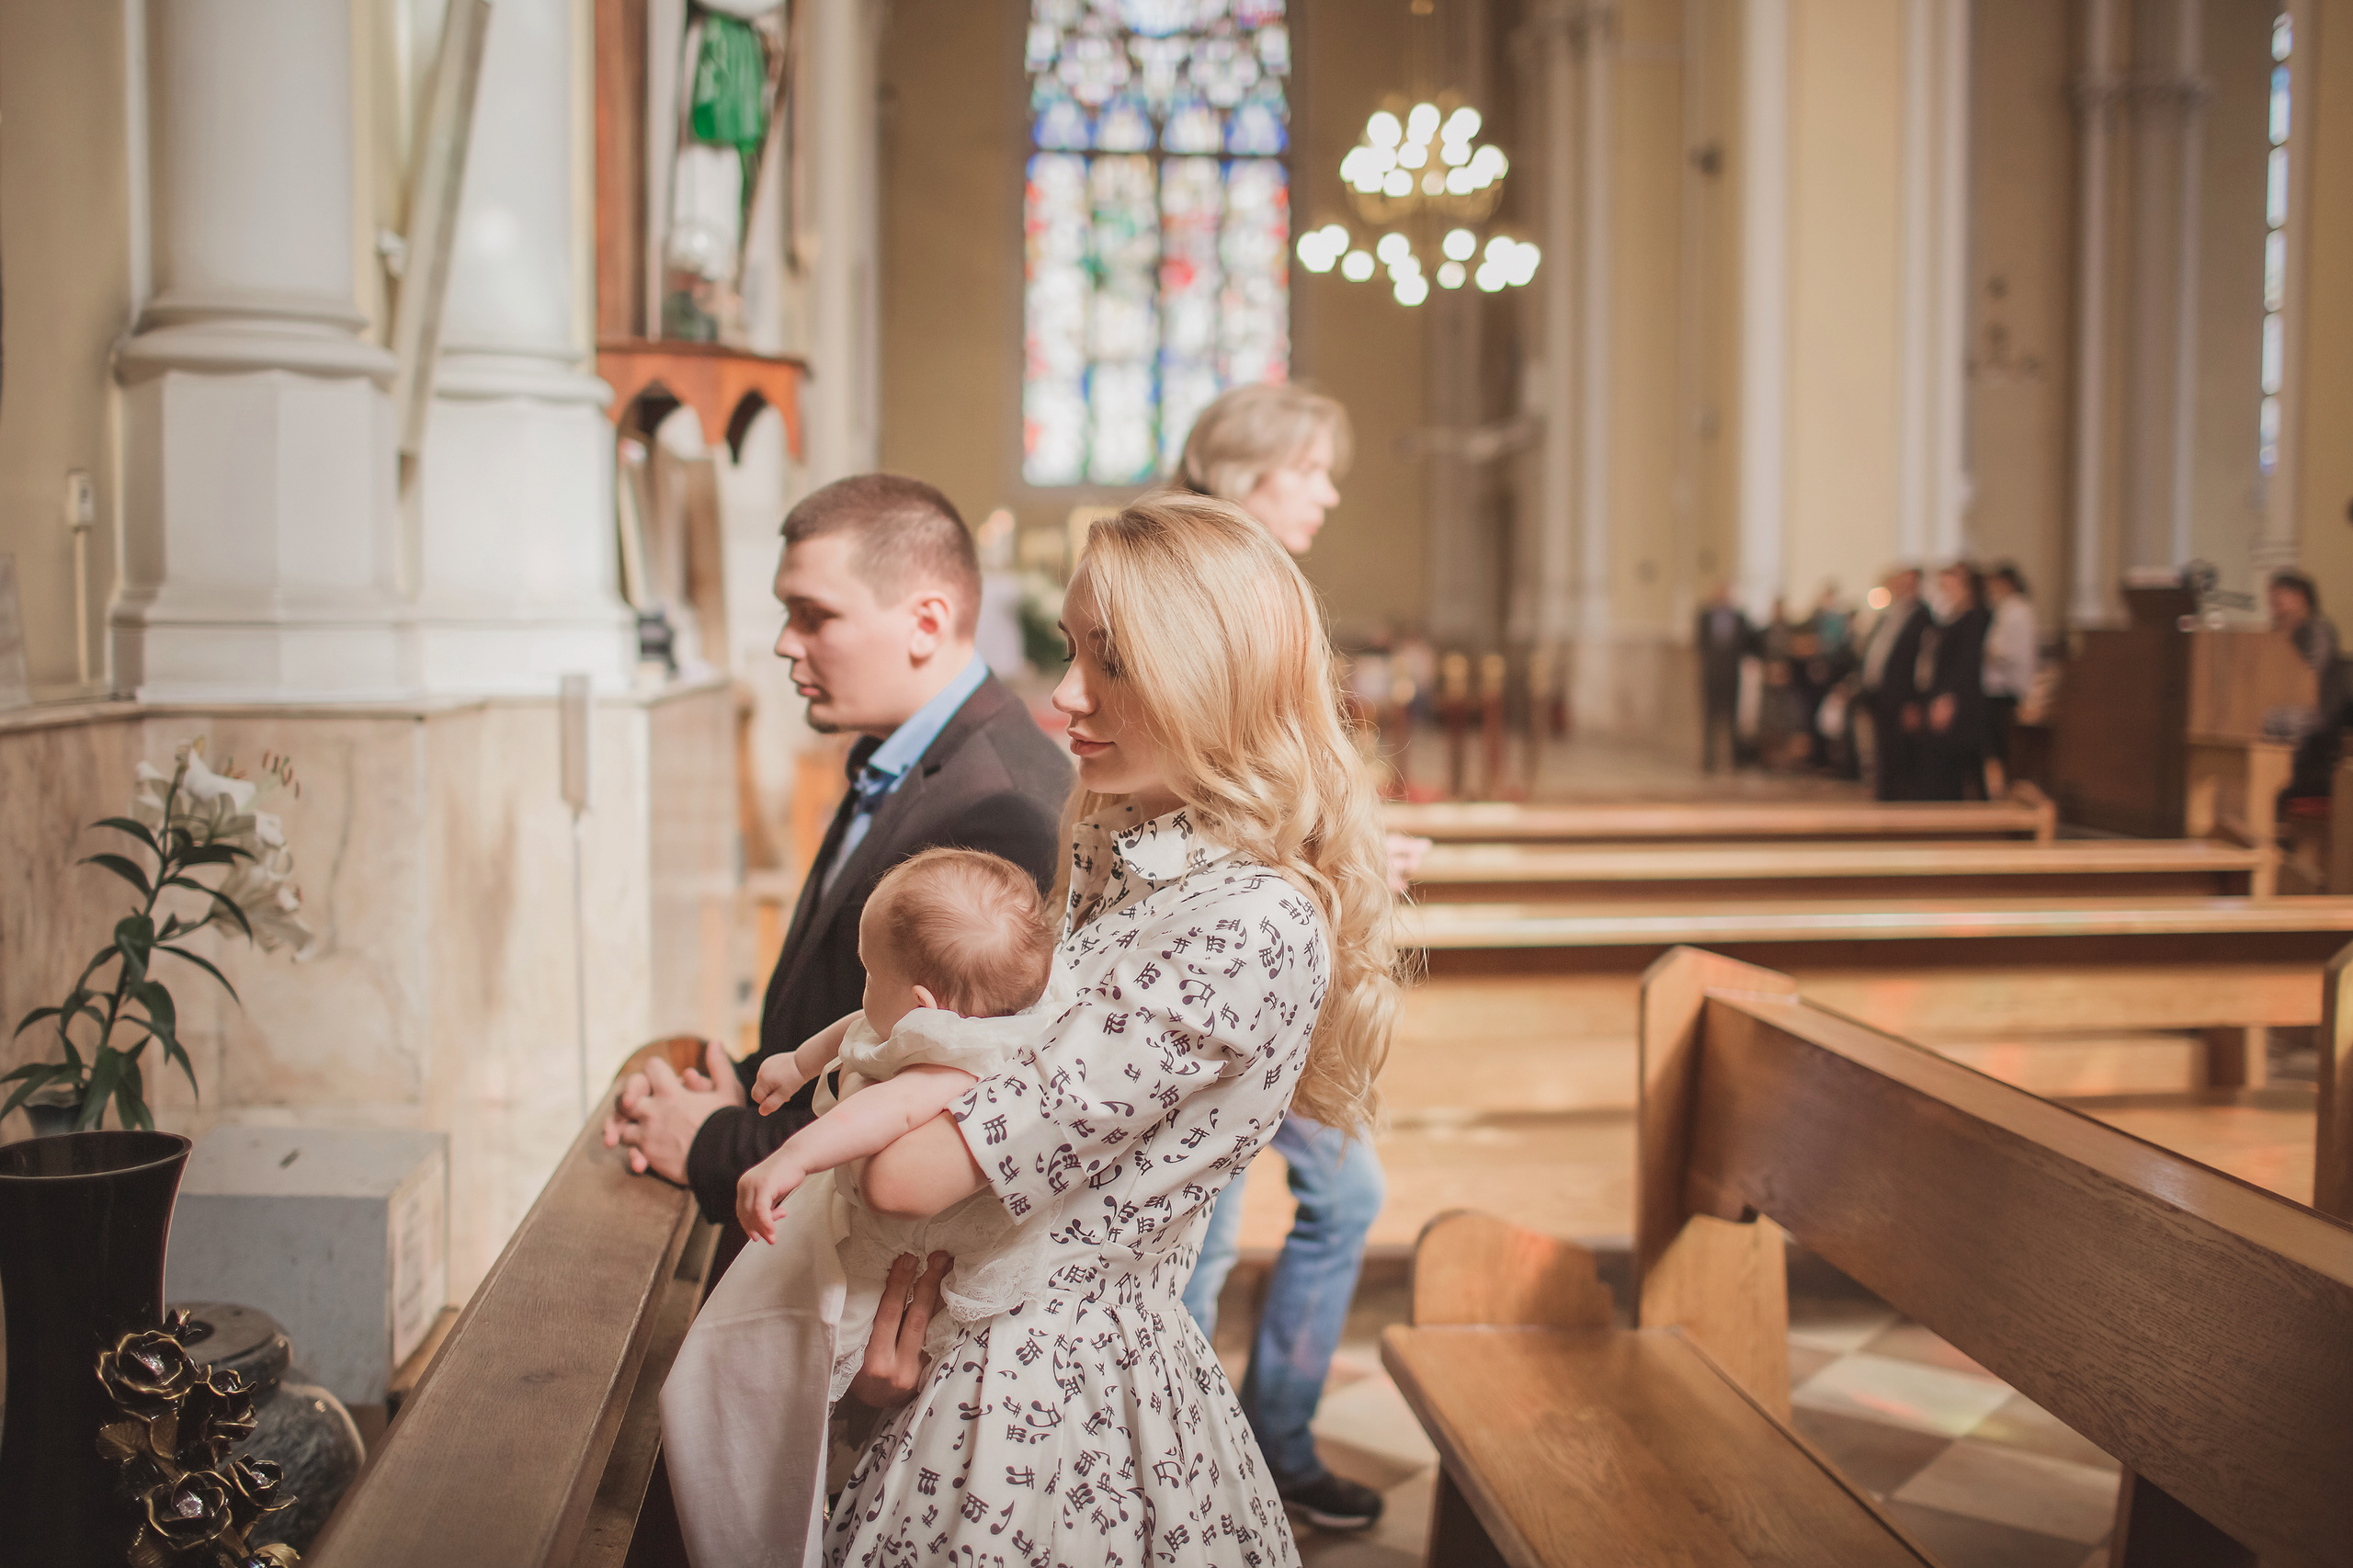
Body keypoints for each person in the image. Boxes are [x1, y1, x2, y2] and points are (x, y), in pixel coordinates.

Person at [812, 495, 1401, 1566]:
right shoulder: (1130, 852)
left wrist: (879, 1069)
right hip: (973, 1347)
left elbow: (907, 1174)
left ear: (1214, 679)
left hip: (1058, 1387)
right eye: (1072, 649)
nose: (1066, 693)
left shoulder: (1250, 921)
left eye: (1113, 662)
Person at [602, 474, 1072, 1225]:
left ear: (926, 622)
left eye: (814, 616)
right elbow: (849, 1011)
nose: (787, 643)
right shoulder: (911, 755)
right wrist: (744, 1086)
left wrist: (713, 1143)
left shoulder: (1000, 807)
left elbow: (927, 1103)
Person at [660, 848, 1057, 1567]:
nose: (863, 982)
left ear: (926, 1007)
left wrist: (789, 1156)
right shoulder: (921, 1017)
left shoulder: (957, 1057)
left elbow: (875, 1112)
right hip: (854, 1224)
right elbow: (858, 1028)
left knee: (785, 1373)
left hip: (897, 1262)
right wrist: (797, 1064)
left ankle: (769, 1510)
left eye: (872, 972)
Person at [1174, 382, 1395, 1530]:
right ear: (1242, 467)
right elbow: (1210, 764)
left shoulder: (1245, 575)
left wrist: (1347, 835)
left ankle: (1260, 1443)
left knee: (1327, 1194)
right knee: (1202, 1236)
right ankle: (1208, 1466)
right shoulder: (1203, 581)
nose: (1327, 488)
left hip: (1279, 934)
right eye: (1308, 467)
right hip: (1227, 949)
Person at [1909, 562, 1991, 801]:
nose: (1945, 588)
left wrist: (1948, 699)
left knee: (1953, 773)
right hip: (1941, 698)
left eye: (1950, 582)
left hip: (1958, 705)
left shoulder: (1973, 619)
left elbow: (1967, 664)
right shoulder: (1949, 618)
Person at [2271, 570, 2345, 803]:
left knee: (2275, 722)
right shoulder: (2283, 633)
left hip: (2318, 715)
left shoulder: (2318, 629)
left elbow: (2313, 676)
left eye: (2278, 603)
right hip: (2294, 711)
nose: (2275, 611)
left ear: (2300, 597)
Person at [1862, 566, 1928, 800]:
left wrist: (1914, 700)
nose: (1902, 587)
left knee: (1901, 750)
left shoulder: (1923, 615)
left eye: (1907, 583)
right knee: (1884, 747)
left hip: (1903, 694)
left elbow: (1919, 663)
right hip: (1882, 691)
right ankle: (1885, 793)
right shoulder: (1890, 613)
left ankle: (1900, 799)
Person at [1982, 563, 2039, 792]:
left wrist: (1990, 652)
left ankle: (2006, 791)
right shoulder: (2006, 609)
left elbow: (2012, 653)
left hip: (2007, 689)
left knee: (2004, 746)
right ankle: (1999, 788)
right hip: (1996, 688)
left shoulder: (2018, 610)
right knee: (1995, 746)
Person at [1695, 585, 1752, 774]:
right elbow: (1701, 644)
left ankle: (1734, 761)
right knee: (1710, 718)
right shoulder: (1705, 616)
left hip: (1731, 675)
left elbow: (1747, 643)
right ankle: (1709, 761)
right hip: (1711, 675)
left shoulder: (1739, 617)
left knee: (1732, 719)